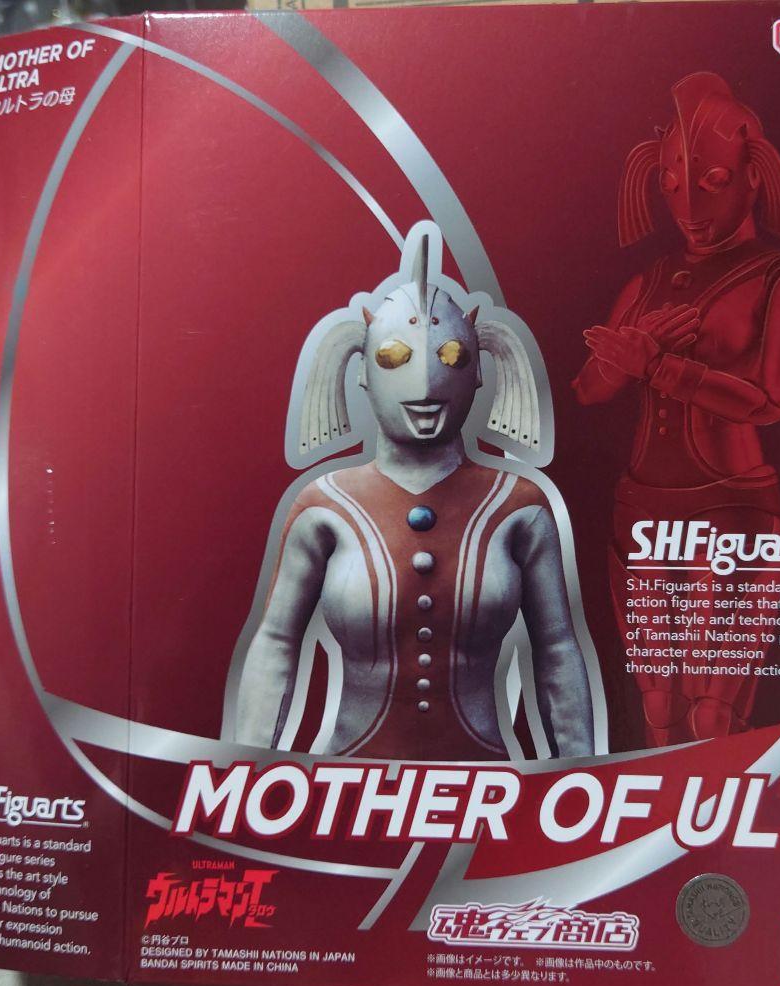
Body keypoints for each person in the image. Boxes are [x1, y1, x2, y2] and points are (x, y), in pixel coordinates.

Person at [237, 227, 595, 760]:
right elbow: (276, 641)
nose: (425, 384)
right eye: (393, 357)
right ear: (362, 371)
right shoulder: (324, 506)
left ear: (479, 370)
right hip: (351, 780)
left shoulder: (518, 506)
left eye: (452, 355)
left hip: (483, 785)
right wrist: (248, 767)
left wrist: (578, 775)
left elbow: (557, 649)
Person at [573, 72, 780, 747]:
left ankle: (726, 812)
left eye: (712, 182)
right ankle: (667, 815)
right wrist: (623, 359)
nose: (690, 206)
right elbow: (587, 389)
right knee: (657, 704)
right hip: (641, 508)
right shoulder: (649, 278)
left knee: (713, 711)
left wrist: (661, 367)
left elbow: (772, 400)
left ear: (753, 176)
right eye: (673, 185)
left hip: (732, 505)